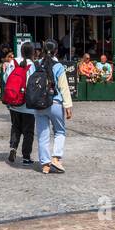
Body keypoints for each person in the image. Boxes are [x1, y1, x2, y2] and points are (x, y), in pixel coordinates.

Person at [33, 40, 72, 175]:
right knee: (60, 132)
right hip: (55, 102)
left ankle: (45, 165)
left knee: (43, 135)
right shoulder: (59, 66)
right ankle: (56, 157)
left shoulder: (36, 64)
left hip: (39, 104)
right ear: (56, 51)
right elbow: (64, 87)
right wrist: (68, 105)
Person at [4, 40, 35, 166]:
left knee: (15, 126)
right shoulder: (33, 65)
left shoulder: (13, 62)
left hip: (13, 101)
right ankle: (26, 157)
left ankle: (13, 147)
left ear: (21, 51)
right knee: (28, 131)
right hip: (27, 104)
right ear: (32, 53)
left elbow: (6, 78)